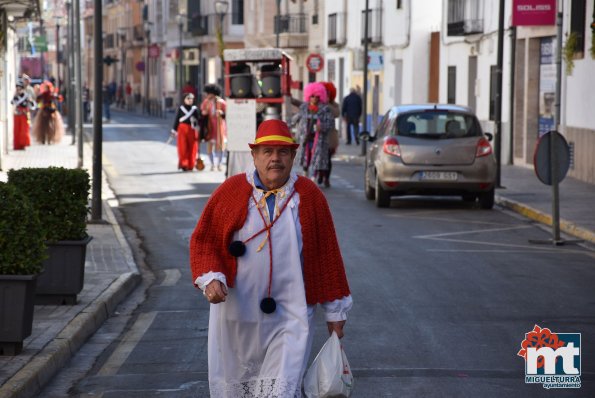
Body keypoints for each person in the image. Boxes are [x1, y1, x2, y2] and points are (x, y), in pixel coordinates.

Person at [190, 119, 352, 396]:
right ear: (254, 156)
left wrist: (335, 311)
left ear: (293, 156)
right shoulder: (231, 192)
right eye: (267, 152)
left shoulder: (309, 196)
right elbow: (205, 241)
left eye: (282, 152)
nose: (275, 159)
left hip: (291, 316)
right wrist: (211, 279)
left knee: (280, 391)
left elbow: (327, 256)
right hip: (237, 318)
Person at [295, 82, 334, 186]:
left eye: (317, 96)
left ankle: (314, 178)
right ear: (308, 96)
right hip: (306, 139)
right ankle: (305, 174)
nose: (314, 98)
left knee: (316, 159)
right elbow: (296, 119)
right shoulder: (303, 108)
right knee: (306, 158)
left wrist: (322, 127)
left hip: (319, 140)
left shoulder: (325, 110)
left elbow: (331, 124)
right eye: (312, 96)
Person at [170, 93, 202, 171]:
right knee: (182, 147)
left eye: (191, 99)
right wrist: (174, 130)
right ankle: (184, 164)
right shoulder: (181, 109)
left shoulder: (195, 109)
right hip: (182, 129)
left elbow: (199, 120)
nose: (190, 100)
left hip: (192, 129)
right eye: (188, 99)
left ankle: (190, 164)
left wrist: (196, 121)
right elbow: (177, 120)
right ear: (184, 100)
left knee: (192, 147)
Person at [200, 83, 227, 171]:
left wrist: (221, 113)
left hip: (220, 126)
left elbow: (227, 113)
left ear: (213, 93)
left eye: (209, 93)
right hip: (210, 126)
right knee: (210, 146)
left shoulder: (221, 102)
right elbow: (202, 112)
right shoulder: (206, 102)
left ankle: (219, 164)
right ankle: (212, 165)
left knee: (220, 146)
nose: (207, 95)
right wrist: (204, 112)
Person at [31, 80, 64, 144]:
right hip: (48, 110)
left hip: (47, 110)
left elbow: (38, 99)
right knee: (48, 126)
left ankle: (46, 138)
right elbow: (58, 98)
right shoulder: (49, 94)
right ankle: (47, 138)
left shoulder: (46, 94)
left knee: (45, 126)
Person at [322, 81, 340, 187]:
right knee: (318, 157)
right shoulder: (317, 103)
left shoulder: (333, 105)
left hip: (330, 137)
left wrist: (327, 104)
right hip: (318, 137)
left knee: (328, 158)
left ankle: (326, 178)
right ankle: (320, 175)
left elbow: (337, 113)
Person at [11, 79, 35, 150]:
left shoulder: (26, 95)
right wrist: (16, 96)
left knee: (24, 130)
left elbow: (32, 105)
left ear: (22, 88)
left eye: (19, 87)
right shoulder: (16, 96)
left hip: (24, 114)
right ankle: (17, 145)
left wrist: (29, 102)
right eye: (17, 87)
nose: (18, 89)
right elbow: (12, 102)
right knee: (17, 130)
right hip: (17, 114)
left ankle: (23, 144)